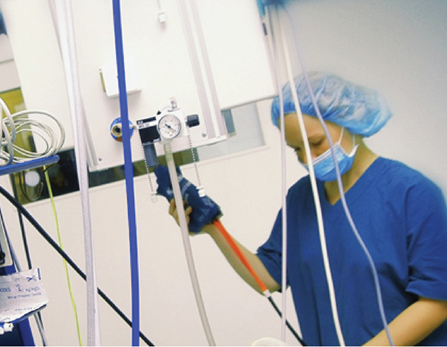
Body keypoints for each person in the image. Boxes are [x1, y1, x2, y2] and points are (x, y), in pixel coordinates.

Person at [168, 72, 447, 346]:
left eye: (316, 143)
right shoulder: (302, 198)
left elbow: (437, 302)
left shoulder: (411, 193)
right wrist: (213, 228)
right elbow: (267, 277)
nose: (309, 158)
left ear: (349, 121)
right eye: (296, 149)